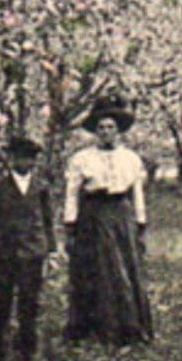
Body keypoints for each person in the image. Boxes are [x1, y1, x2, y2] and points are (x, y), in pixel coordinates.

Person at [63, 96, 154, 344]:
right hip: (94, 214)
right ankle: (96, 326)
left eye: (110, 127)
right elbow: (71, 193)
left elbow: (137, 192)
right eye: (101, 128)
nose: (106, 132)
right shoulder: (82, 159)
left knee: (126, 268)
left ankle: (130, 325)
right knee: (98, 268)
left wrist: (140, 222)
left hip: (122, 213)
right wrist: (70, 225)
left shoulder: (131, 158)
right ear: (95, 131)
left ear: (118, 130)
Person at [0, 136, 58, 361]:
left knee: (29, 305)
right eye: (18, 157)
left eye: (29, 157)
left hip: (33, 254)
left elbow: (47, 220)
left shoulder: (41, 187)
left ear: (34, 161)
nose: (23, 162)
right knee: (0, 305)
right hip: (5, 254)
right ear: (10, 159)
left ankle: (26, 353)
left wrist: (51, 251)